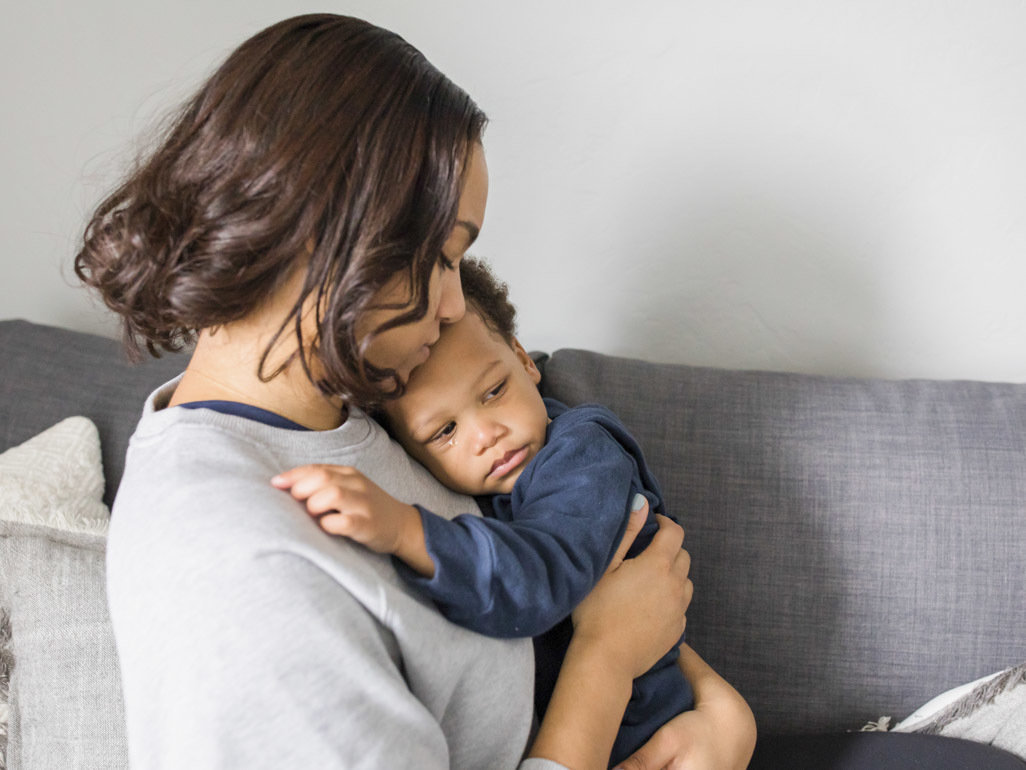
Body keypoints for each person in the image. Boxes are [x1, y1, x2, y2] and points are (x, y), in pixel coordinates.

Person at [75, 13, 755, 770]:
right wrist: (605, 661)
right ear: (325, 236)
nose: (457, 304)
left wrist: (714, 713)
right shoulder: (243, 570)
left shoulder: (344, 411)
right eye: (439, 256)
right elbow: (598, 632)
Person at [273, 257, 719, 767]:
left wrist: (405, 529)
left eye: (493, 391)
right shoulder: (462, 486)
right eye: (445, 432)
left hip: (648, 737)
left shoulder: (584, 455)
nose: (487, 434)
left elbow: (540, 572)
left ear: (524, 362)